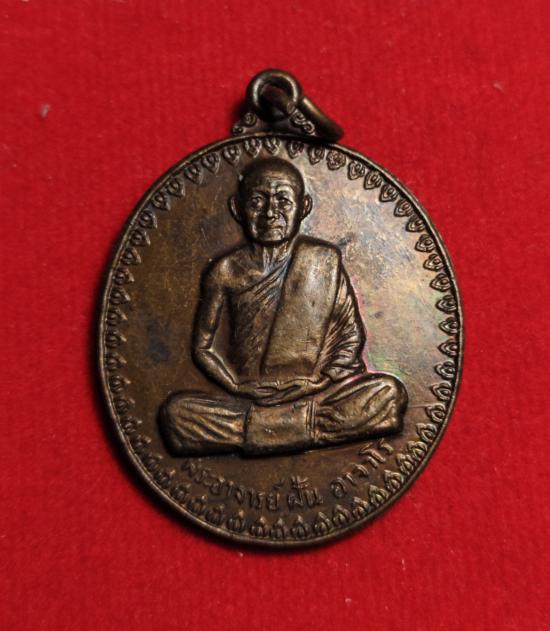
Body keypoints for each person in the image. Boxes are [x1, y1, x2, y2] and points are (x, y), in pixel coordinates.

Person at [159, 157, 407, 455]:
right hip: (247, 400)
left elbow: (350, 336)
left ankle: (257, 432)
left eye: (283, 202)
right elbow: (203, 347)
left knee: (387, 394)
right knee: (177, 414)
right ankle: (303, 430)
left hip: (314, 395)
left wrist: (318, 383)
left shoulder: (322, 262)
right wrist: (236, 387)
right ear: (237, 209)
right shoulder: (224, 271)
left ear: (304, 207)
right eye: (257, 202)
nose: (270, 213)